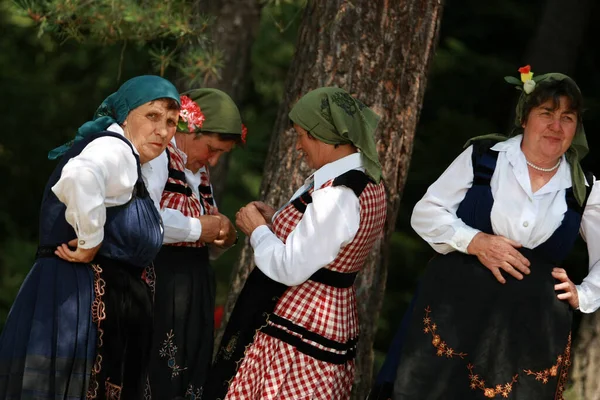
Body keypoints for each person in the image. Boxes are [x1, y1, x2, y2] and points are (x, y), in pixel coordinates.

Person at [392, 68, 600, 399]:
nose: (556, 127)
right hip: (454, 317)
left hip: (528, 334)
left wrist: (585, 294)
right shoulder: (483, 158)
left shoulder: (584, 189)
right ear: (525, 117)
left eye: (568, 118)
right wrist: (474, 241)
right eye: (546, 113)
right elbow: (425, 213)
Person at [0, 75, 181, 400]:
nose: (163, 130)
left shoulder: (132, 161)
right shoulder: (114, 147)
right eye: (152, 116)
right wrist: (90, 242)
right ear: (126, 115)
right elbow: (80, 176)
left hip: (95, 299)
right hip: (79, 298)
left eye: (171, 122)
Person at [204, 87, 387, 400]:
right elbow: (327, 240)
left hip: (301, 316)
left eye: (302, 135)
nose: (299, 145)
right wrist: (278, 219)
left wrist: (258, 230)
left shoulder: (338, 194)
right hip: (324, 308)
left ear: (324, 136)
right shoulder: (363, 179)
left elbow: (291, 267)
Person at [145, 88, 243, 399]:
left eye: (221, 155)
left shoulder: (199, 175)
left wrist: (222, 237)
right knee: (154, 372)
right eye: (211, 149)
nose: (212, 160)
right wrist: (200, 229)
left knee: (188, 374)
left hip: (193, 288)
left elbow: (206, 240)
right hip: (159, 281)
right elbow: (147, 220)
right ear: (190, 128)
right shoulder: (158, 157)